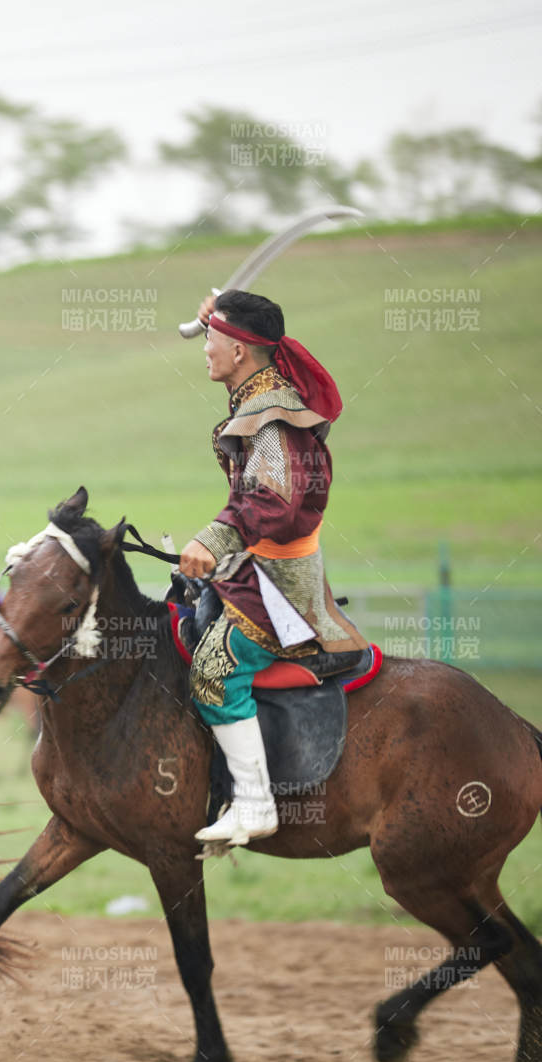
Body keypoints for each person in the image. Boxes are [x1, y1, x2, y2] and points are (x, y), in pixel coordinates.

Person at [179, 289, 367, 848]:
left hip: (279, 588)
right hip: (254, 571)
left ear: (239, 351)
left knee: (213, 673)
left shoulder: (272, 414)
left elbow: (273, 499)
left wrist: (213, 538)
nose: (205, 350)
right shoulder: (262, 397)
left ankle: (256, 805)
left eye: (213, 340)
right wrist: (219, 314)